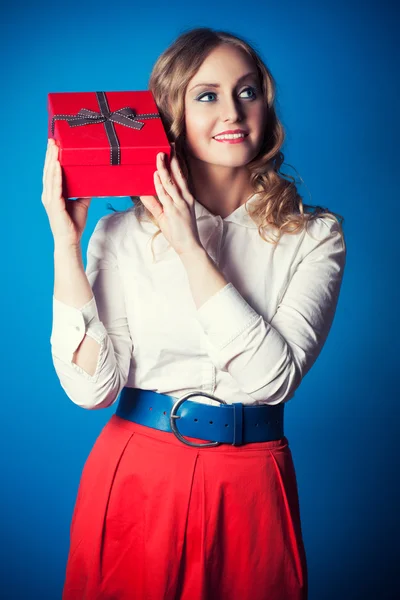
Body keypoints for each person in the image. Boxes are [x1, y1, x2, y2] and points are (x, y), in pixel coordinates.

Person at [42, 27, 346, 600]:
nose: (232, 110)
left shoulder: (316, 235)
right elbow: (92, 390)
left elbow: (271, 379)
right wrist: (66, 244)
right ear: (173, 112)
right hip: (137, 474)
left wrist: (190, 247)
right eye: (206, 95)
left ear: (266, 105)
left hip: (252, 479)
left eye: (247, 91)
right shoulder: (119, 234)